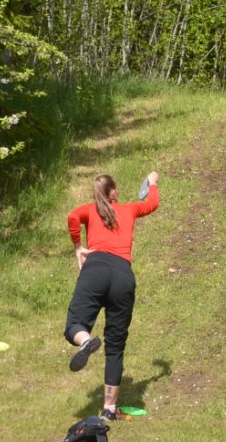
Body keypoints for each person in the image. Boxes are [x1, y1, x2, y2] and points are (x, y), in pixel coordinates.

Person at [64, 172, 159, 420]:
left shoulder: (88, 210)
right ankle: (108, 410)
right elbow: (152, 204)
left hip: (95, 270)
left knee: (74, 324)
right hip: (122, 275)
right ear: (114, 191)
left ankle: (85, 341)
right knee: (115, 345)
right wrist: (152, 182)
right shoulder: (128, 209)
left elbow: (72, 217)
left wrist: (78, 247)